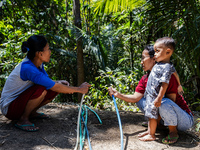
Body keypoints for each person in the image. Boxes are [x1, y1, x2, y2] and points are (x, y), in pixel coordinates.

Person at [0, 35, 91, 132]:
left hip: (18, 104)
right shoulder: (28, 68)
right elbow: (52, 86)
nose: (50, 52)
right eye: (48, 49)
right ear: (40, 54)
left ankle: (32, 113)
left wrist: (59, 82)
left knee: (54, 87)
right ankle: (23, 119)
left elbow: (48, 82)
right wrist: (79, 89)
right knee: (42, 89)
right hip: (10, 109)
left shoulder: (38, 64)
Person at [108, 44, 194, 144]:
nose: (141, 62)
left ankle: (173, 131)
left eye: (143, 58)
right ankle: (159, 125)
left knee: (163, 102)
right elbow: (135, 97)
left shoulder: (167, 75)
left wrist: (152, 123)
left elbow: (171, 102)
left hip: (183, 120)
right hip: (164, 113)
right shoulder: (145, 78)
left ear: (154, 59)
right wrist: (118, 94)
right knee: (141, 100)